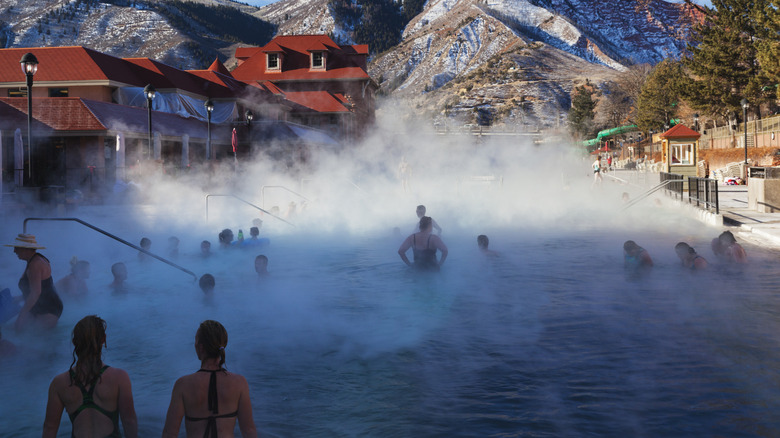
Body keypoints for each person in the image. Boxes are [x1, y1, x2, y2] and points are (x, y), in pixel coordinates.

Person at [42, 315, 138, 438]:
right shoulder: (119, 378)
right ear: (103, 339)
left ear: (74, 342)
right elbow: (129, 421)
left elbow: (49, 428)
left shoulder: (59, 383)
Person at [162, 320, 257, 438]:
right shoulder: (239, 383)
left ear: (201, 347)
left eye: (195, 341)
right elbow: (249, 431)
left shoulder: (183, 385)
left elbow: (169, 433)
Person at [5, 234, 63, 331]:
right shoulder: (34, 260)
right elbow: (43, 287)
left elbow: (36, 293)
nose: (14, 251)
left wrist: (21, 317)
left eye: (16, 248)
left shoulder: (35, 264)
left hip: (48, 310)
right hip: (39, 306)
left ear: (26, 249)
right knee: (11, 330)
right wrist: (20, 298)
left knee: (27, 335)